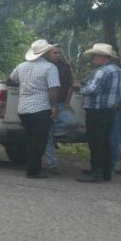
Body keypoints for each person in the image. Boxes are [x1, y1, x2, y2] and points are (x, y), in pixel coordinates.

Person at [7, 39, 61, 179]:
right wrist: (54, 107)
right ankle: (33, 171)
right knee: (39, 142)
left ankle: (32, 167)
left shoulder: (21, 66)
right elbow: (54, 89)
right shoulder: (50, 68)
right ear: (46, 53)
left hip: (23, 109)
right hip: (41, 108)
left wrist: (24, 85)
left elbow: (10, 80)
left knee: (30, 140)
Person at [74, 43, 121, 183]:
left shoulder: (103, 71)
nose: (93, 58)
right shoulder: (117, 70)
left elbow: (92, 90)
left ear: (102, 57)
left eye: (94, 56)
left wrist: (78, 88)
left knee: (95, 142)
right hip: (109, 110)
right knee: (105, 141)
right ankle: (105, 171)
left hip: (97, 110)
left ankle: (96, 172)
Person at [42, 46, 76, 175]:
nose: (57, 55)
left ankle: (49, 133)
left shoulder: (65, 67)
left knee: (71, 122)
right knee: (46, 135)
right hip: (45, 103)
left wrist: (67, 102)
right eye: (54, 53)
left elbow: (71, 85)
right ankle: (52, 164)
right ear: (47, 54)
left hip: (61, 103)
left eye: (59, 53)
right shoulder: (42, 65)